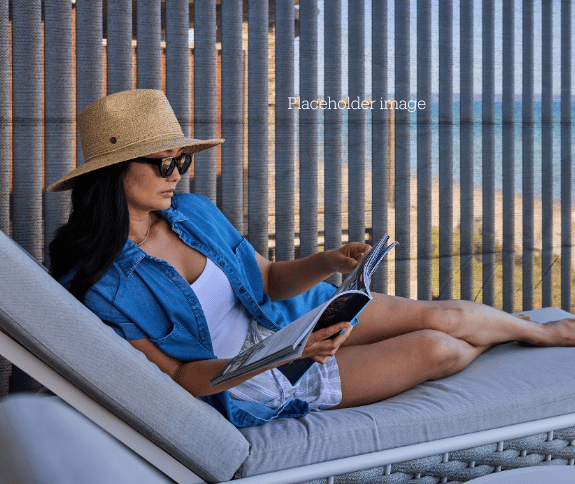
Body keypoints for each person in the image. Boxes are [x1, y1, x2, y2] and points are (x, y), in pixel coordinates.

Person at [48, 89, 575, 428]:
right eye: (165, 164)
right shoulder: (99, 286)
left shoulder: (193, 213)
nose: (178, 175)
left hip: (286, 319)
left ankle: (536, 333)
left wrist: (329, 261)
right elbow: (183, 378)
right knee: (437, 346)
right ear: (114, 171)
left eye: (182, 160)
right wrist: (279, 356)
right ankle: (504, 335)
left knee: (448, 316)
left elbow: (269, 281)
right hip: (255, 375)